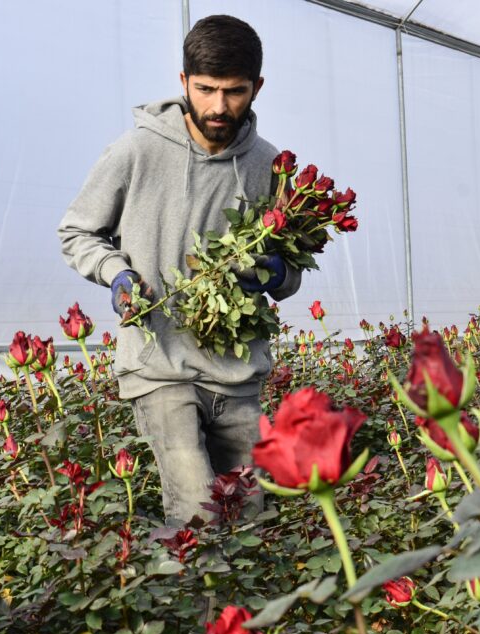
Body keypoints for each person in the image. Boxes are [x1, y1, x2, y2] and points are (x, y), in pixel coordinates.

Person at [58, 15, 300, 524]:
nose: (218, 106)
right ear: (183, 81)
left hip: (236, 373)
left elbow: (292, 270)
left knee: (253, 515)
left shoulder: (269, 166)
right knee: (199, 513)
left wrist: (276, 273)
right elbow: (77, 232)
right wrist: (116, 273)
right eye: (206, 89)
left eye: (234, 92)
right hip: (159, 363)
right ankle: (195, 600)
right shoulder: (136, 151)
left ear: (257, 87)